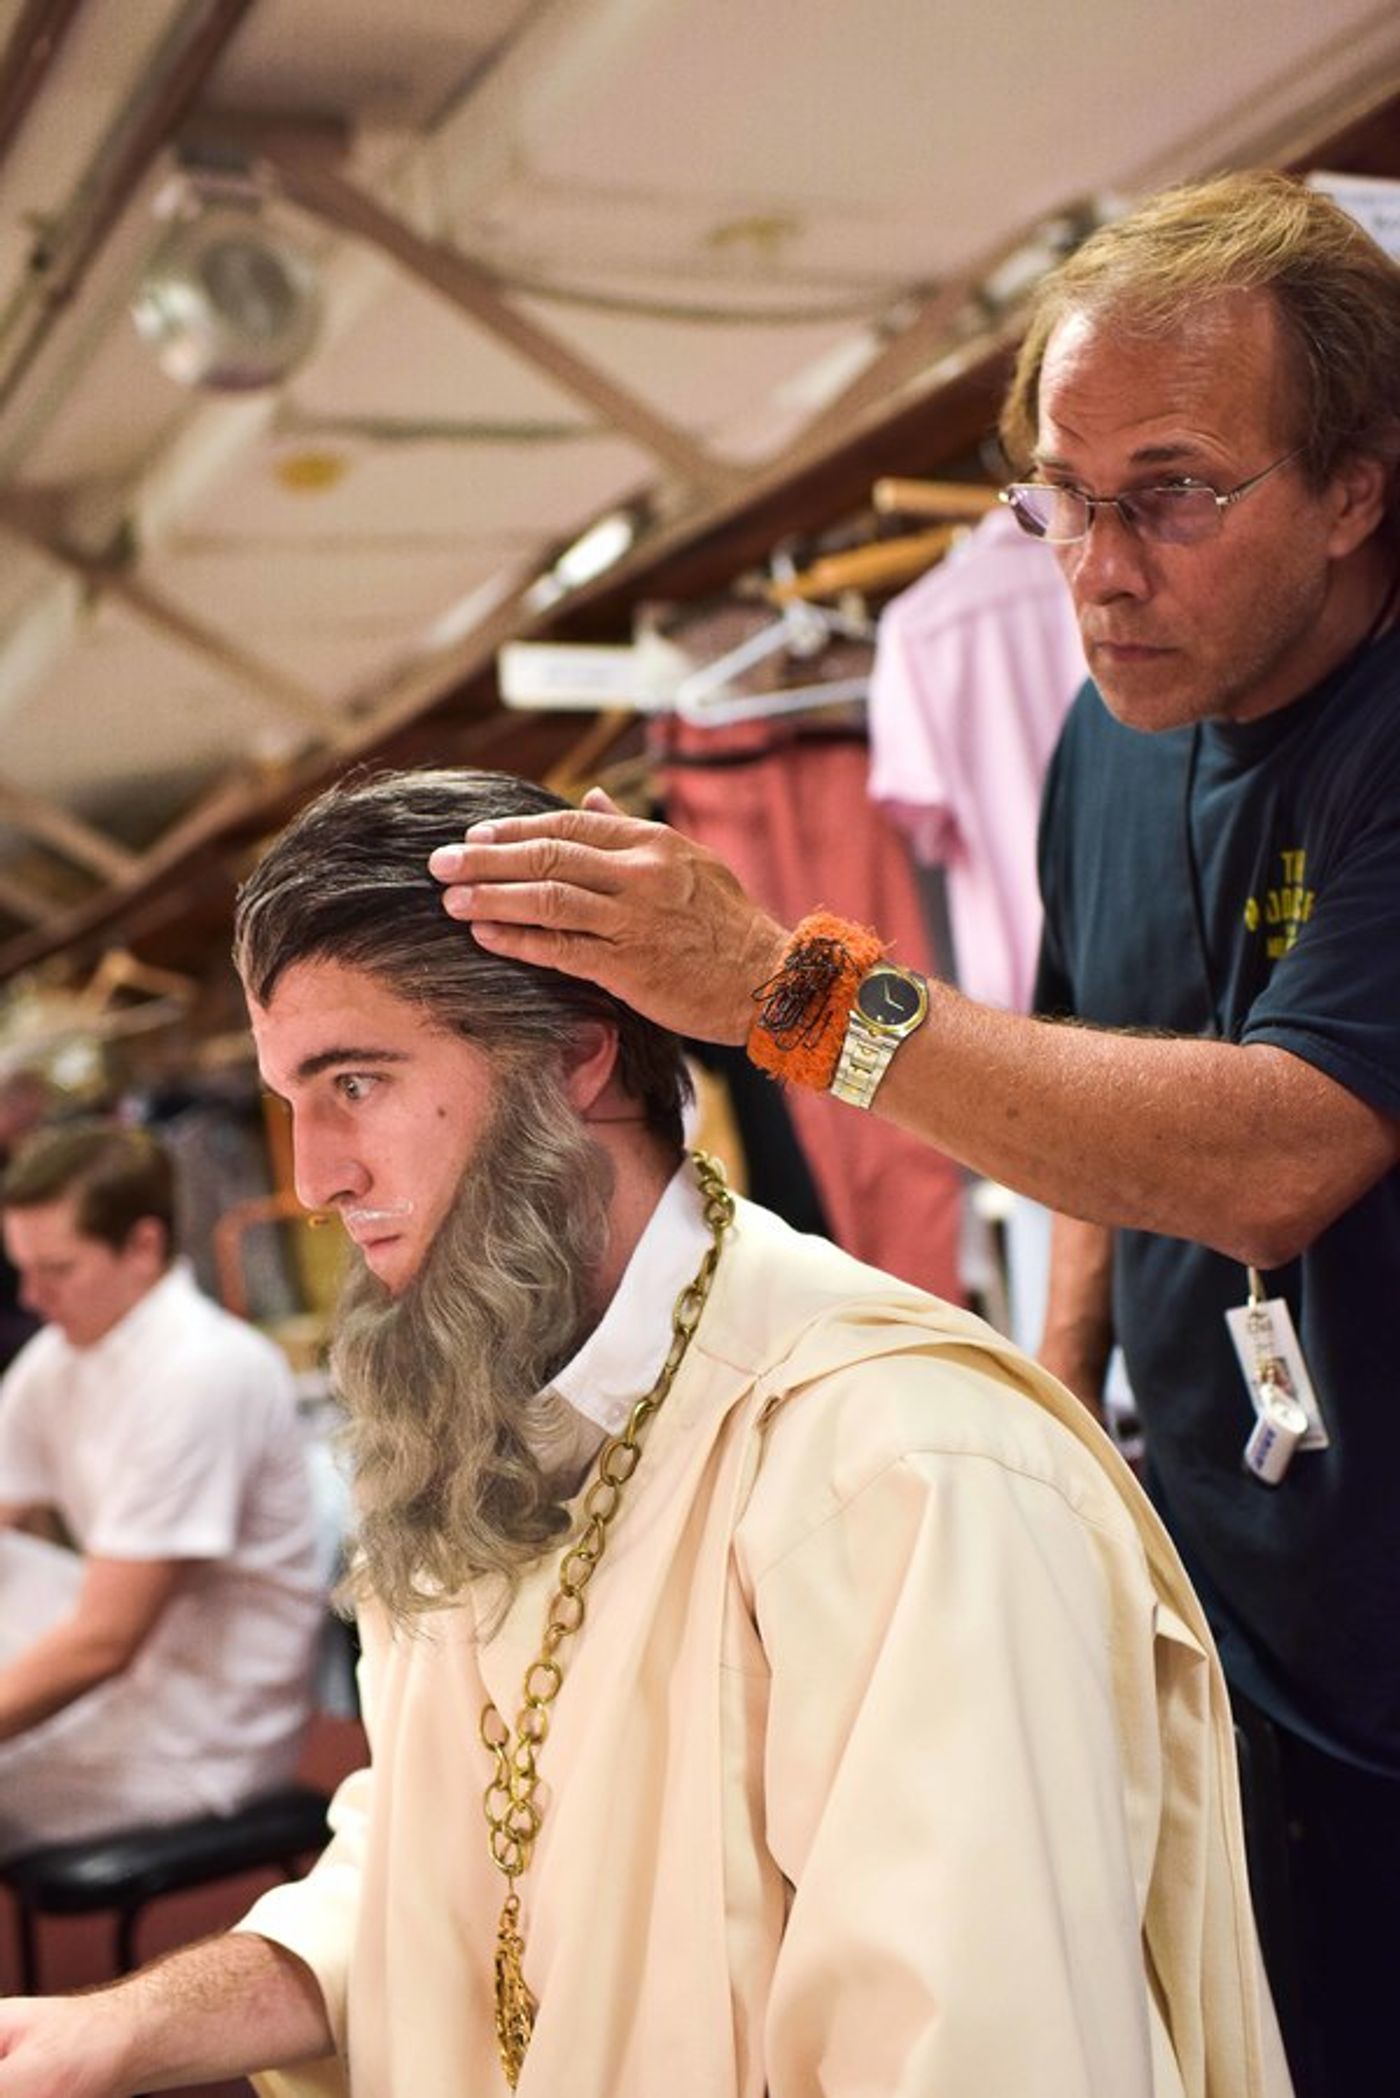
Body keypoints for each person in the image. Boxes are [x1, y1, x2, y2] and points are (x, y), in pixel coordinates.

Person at [424, 170, 1400, 2098]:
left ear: (1360, 486)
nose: (1097, 567)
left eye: (1176, 494)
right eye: (1061, 495)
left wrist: (791, 992)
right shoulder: (1107, 731)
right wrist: (1056, 1431)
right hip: (1243, 1624)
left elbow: (1283, 1145)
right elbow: (1097, 1086)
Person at [0, 769, 1286, 2098]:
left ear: (570, 1052)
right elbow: (449, 1854)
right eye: (290, 1102)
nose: (316, 1177)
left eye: (358, 1083)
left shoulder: (894, 1465)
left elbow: (979, 2053)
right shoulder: (484, 1403)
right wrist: (126, 2027)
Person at [0, 1120, 323, 1856]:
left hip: (202, 1739)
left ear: (143, 1247)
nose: (32, 1295)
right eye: (22, 1269)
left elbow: (105, 1643)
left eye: (57, 1269)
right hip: (137, 1679)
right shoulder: (60, 1358)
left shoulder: (205, 1370)